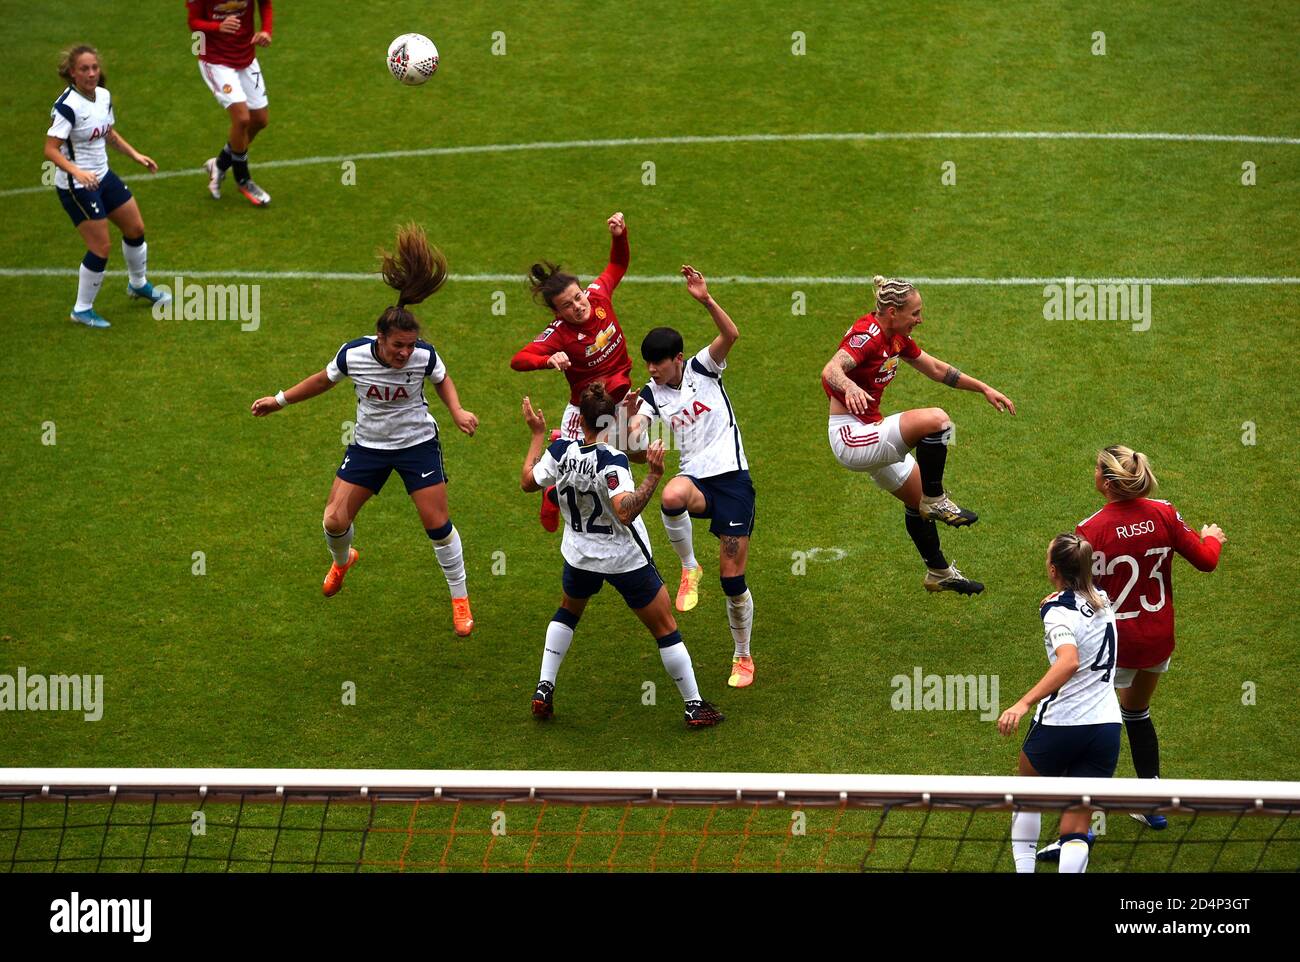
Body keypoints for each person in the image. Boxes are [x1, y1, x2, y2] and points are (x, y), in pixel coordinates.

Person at [250, 225, 478, 636]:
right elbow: (322, 380)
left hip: (416, 445)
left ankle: (459, 599)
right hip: (369, 446)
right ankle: (343, 561)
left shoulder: (422, 356)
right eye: (398, 347)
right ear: (380, 338)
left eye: (410, 346)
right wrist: (278, 399)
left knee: (436, 524)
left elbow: (441, 378)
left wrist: (458, 411)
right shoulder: (353, 354)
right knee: (334, 520)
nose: (405, 354)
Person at [520, 384, 723, 728]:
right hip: (623, 558)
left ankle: (544, 687)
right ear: (609, 420)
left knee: (568, 612)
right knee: (665, 629)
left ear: (579, 420)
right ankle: (694, 706)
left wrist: (538, 435)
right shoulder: (612, 462)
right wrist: (655, 477)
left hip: (579, 555)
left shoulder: (559, 451)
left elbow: (528, 482)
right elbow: (625, 511)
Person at [820, 275, 1016, 594]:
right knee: (937, 420)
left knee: (915, 500)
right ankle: (936, 499)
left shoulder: (895, 338)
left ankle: (939, 572)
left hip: (869, 431)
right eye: (915, 313)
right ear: (893, 311)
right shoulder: (866, 336)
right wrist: (850, 386)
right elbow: (831, 370)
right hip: (850, 437)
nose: (919, 320)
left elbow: (937, 370)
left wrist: (983, 388)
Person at [1076, 445, 1225, 829]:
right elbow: (1207, 560)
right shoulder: (1164, 512)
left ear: (1107, 483)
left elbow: (1080, 594)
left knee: (1091, 720)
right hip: (1157, 638)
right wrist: (1212, 538)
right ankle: (1150, 800)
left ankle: (1082, 815)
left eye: (1096, 469)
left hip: (1114, 645)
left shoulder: (1090, 530)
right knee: (1136, 712)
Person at [625, 266, 757, 689]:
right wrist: (630, 418)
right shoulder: (649, 394)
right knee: (671, 495)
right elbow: (632, 445)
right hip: (696, 480)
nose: (651, 369)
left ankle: (742, 656)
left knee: (733, 581)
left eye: (657, 362)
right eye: (646, 363)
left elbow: (732, 335)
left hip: (733, 480)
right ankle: (688, 567)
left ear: (677, 359)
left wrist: (705, 299)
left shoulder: (703, 368)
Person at [997, 533, 1122, 874]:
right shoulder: (1105, 600)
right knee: (1076, 821)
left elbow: (1068, 661)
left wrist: (1022, 703)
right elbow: (1082, 606)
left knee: (1027, 798)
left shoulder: (1056, 611)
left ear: (1053, 570)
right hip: (1106, 728)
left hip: (1061, 724)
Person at [511, 212, 633, 532]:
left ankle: (557, 442)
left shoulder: (599, 295)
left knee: (639, 454)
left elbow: (617, 266)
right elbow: (519, 359)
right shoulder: (559, 334)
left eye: (578, 297)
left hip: (619, 396)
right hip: (587, 411)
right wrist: (547, 361)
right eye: (568, 305)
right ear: (557, 312)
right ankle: (552, 491)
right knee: (585, 478)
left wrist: (619, 236)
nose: (578, 306)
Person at [45, 45, 169, 329]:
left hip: (104, 176)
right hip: (77, 185)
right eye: (84, 69)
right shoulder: (67, 106)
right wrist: (77, 171)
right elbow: (50, 150)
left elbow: (108, 132)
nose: (91, 73)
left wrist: (135, 154)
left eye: (94, 68)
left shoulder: (103, 96)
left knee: (135, 229)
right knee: (101, 247)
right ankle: (82, 309)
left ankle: (138, 285)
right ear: (72, 73)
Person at [188, 0, 274, 206]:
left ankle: (219, 164)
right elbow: (193, 22)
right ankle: (243, 179)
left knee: (260, 120)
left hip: (246, 56)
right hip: (216, 61)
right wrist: (217, 26)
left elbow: (266, 3)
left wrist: (266, 31)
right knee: (242, 119)